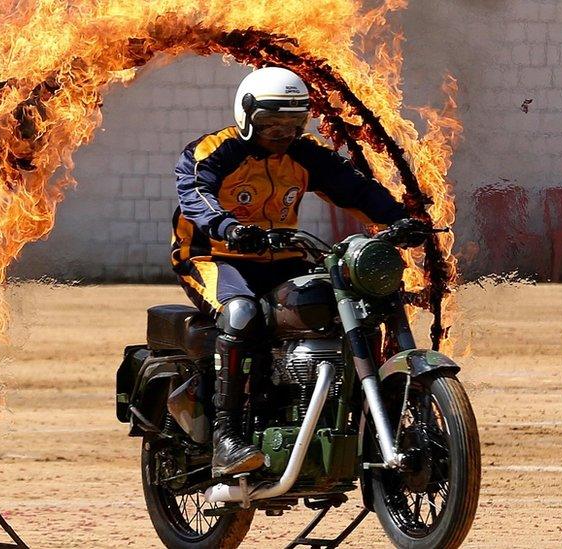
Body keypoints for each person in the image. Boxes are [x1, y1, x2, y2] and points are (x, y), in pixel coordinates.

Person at [171, 67, 418, 477]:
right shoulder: (213, 152)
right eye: (270, 124)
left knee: (345, 302)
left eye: (292, 124)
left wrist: (400, 220)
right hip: (212, 255)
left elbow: (355, 190)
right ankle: (225, 439)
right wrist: (230, 229)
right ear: (248, 117)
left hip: (282, 254)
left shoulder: (305, 154)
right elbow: (196, 195)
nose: (281, 134)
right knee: (241, 314)